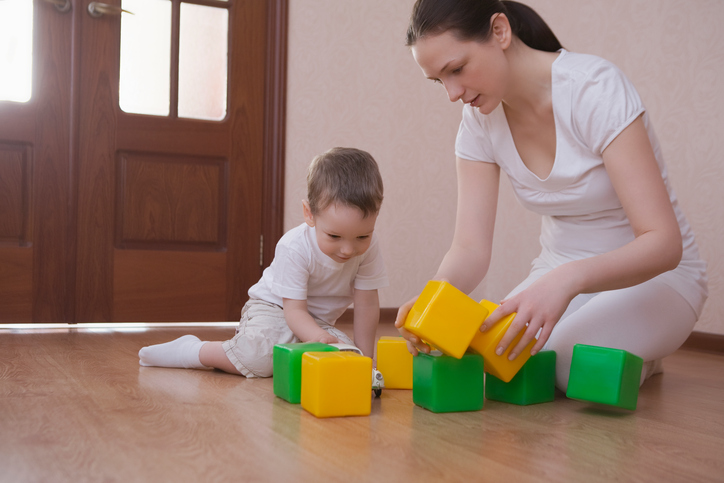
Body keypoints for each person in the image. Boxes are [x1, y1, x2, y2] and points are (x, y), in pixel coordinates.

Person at [395, 0, 708, 390]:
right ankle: (626, 352)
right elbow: (470, 248)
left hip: (656, 278)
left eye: (456, 69)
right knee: (499, 357)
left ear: (499, 31)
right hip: (558, 273)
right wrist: (435, 296)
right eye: (438, 80)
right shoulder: (478, 123)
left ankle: (642, 355)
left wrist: (564, 281)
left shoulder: (593, 89)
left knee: (557, 363)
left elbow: (663, 244)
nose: (452, 93)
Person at [140, 147, 388, 377]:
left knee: (345, 356)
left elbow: (366, 304)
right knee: (257, 359)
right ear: (309, 214)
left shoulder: (370, 246)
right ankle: (193, 351)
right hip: (273, 309)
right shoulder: (295, 247)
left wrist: (366, 360)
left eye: (362, 236)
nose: (348, 249)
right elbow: (294, 311)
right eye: (334, 236)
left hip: (316, 323)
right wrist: (318, 338)